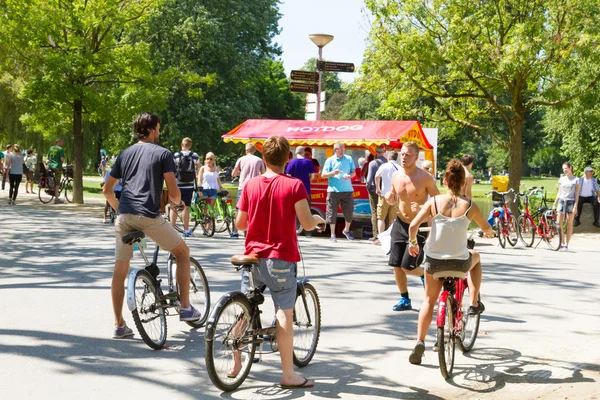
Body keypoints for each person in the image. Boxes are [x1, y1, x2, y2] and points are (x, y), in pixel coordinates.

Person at [234, 135, 326, 389]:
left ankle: (235, 362)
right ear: (288, 158)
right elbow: (307, 223)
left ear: (263, 158)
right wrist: (319, 221)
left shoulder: (251, 185)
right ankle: (288, 374)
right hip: (280, 258)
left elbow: (240, 224)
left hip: (252, 257)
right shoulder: (294, 185)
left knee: (245, 307)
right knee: (284, 312)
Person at [103, 112, 201, 339]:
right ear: (152, 129)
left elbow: (107, 190)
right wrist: (178, 203)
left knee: (120, 270)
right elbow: (174, 194)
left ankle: (119, 324)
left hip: (124, 216)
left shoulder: (125, 153)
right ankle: (186, 307)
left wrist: (120, 210)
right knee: (182, 252)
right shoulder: (163, 153)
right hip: (149, 215)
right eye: (158, 128)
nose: (160, 132)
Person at [406, 159, 495, 365]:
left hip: (434, 262)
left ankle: (420, 341)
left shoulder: (434, 202)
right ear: (463, 182)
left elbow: (412, 226)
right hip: (459, 262)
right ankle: (473, 302)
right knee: (476, 257)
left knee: (429, 300)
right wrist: (490, 233)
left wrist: (413, 244)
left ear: (445, 180)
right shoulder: (470, 206)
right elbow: (486, 227)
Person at [385, 142, 440, 311]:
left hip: (419, 227)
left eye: (408, 154)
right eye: (402, 154)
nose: (404, 157)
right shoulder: (396, 176)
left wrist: (424, 208)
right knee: (396, 265)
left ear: (416, 157)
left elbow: (438, 202)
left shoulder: (425, 178)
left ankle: (424, 274)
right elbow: (394, 197)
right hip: (400, 224)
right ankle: (404, 299)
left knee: (407, 266)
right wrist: (390, 198)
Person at [321, 142, 356, 242]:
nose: (341, 151)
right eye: (339, 149)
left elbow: (353, 172)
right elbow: (323, 175)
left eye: (343, 149)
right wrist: (333, 173)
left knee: (349, 212)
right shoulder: (330, 160)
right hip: (333, 190)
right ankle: (332, 235)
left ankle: (346, 230)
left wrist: (350, 176)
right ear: (335, 150)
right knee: (332, 213)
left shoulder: (349, 158)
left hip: (347, 190)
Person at [231, 142, 265, 238]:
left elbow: (234, 173)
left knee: (239, 208)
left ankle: (235, 231)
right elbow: (264, 174)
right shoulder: (259, 160)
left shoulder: (241, 159)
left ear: (246, 150)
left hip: (242, 186)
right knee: (253, 209)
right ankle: (251, 230)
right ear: (254, 150)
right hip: (255, 187)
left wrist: (241, 173)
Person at [170, 137, 201, 237]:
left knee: (174, 206)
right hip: (189, 184)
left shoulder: (176, 155)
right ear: (190, 145)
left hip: (178, 183)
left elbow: (172, 168)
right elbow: (198, 166)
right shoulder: (195, 155)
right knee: (186, 207)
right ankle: (186, 230)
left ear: (181, 145)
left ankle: (172, 229)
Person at [553, 161, 580, 250]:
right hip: (561, 201)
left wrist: (575, 205)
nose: (565, 170)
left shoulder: (576, 180)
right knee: (559, 223)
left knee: (569, 223)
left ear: (570, 168)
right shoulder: (562, 179)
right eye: (563, 169)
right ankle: (562, 242)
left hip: (570, 202)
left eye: (566, 168)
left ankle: (567, 244)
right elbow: (559, 192)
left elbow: (576, 194)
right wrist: (555, 203)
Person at [375, 151, 400, 237]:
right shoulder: (400, 167)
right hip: (395, 196)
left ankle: (381, 237)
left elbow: (377, 176)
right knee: (392, 219)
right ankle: (391, 237)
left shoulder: (384, 166)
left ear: (388, 157)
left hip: (384, 194)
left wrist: (377, 188)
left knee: (381, 217)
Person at [366, 146, 387, 244]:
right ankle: (385, 234)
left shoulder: (373, 163)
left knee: (375, 212)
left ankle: (376, 235)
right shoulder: (387, 162)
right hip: (386, 190)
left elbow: (369, 179)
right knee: (385, 212)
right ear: (385, 151)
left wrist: (368, 187)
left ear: (375, 152)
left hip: (374, 190)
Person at [46, 138, 65, 204]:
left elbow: (47, 157)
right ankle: (56, 199)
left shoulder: (51, 148)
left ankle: (51, 187)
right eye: (62, 142)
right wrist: (63, 161)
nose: (63, 143)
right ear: (58, 142)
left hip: (50, 166)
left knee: (52, 179)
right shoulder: (60, 149)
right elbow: (62, 159)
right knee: (57, 183)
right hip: (57, 167)